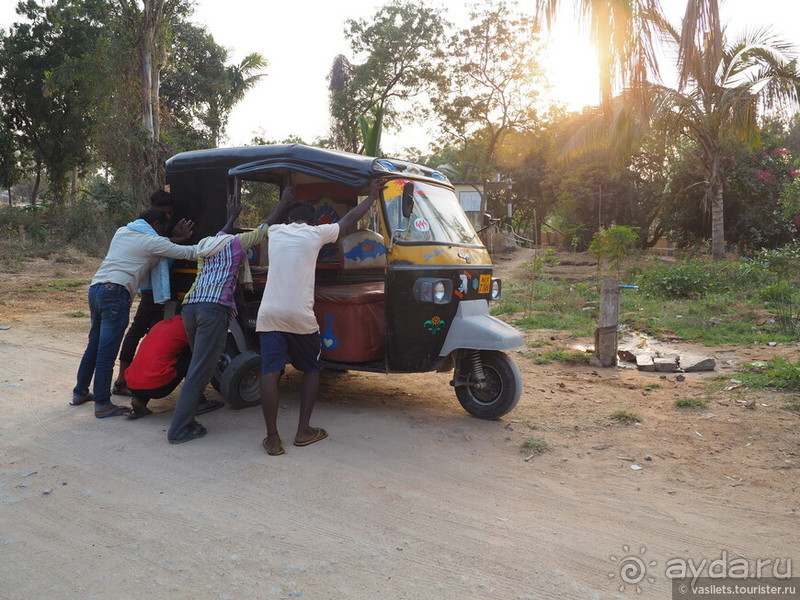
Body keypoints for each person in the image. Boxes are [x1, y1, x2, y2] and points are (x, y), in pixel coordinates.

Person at [257, 178, 382, 456]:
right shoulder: (315, 234)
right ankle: (303, 432)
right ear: (312, 222)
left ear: (289, 219)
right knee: (312, 369)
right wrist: (372, 197)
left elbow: (264, 225)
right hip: (300, 316)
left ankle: (272, 438)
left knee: (270, 372)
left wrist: (281, 203)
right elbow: (349, 219)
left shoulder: (276, 231)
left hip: (269, 314)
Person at [166, 190, 291, 444]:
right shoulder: (236, 245)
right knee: (201, 369)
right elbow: (264, 229)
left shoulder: (205, 245)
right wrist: (282, 205)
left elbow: (222, 234)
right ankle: (179, 428)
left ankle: (190, 412)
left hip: (190, 307)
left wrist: (232, 216)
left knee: (198, 365)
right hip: (213, 308)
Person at [71, 209, 198, 418]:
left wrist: (176, 237)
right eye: (163, 227)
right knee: (107, 353)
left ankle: (80, 392)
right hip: (116, 293)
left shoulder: (122, 231)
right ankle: (102, 404)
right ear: (156, 224)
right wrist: (205, 241)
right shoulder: (151, 242)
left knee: (93, 346)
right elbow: (188, 252)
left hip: (96, 289)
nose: (163, 232)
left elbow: (162, 242)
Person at [112, 189, 193, 396]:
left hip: (157, 287)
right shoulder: (148, 232)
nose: (167, 217)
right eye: (164, 213)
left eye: (169, 213)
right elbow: (163, 247)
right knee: (138, 330)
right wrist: (180, 238)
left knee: (153, 333)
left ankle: (138, 377)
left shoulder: (154, 231)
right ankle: (122, 379)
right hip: (150, 288)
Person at [124, 314, 224, 419]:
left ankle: (139, 400)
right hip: (158, 386)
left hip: (132, 384)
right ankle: (198, 402)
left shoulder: (160, 325)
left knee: (156, 359)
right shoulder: (189, 327)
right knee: (195, 355)